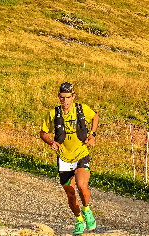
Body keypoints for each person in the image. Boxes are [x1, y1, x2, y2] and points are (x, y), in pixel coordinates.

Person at [39, 82, 99, 235]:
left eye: (67, 97)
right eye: (61, 98)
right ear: (58, 97)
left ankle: (86, 209)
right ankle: (79, 220)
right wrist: (51, 142)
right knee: (70, 193)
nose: (64, 101)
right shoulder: (54, 113)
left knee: (81, 186)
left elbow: (95, 117)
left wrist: (92, 135)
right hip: (64, 158)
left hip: (81, 154)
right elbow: (43, 133)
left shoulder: (81, 109)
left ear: (73, 96)